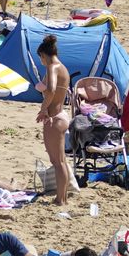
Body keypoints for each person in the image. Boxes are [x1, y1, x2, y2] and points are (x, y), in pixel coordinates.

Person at [35, 34, 77, 206]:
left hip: (54, 117)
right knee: (61, 161)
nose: (42, 63)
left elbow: (51, 90)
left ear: (43, 56)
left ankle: (60, 199)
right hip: (61, 114)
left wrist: (43, 109)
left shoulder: (53, 67)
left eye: (41, 59)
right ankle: (63, 197)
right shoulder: (63, 68)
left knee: (57, 162)